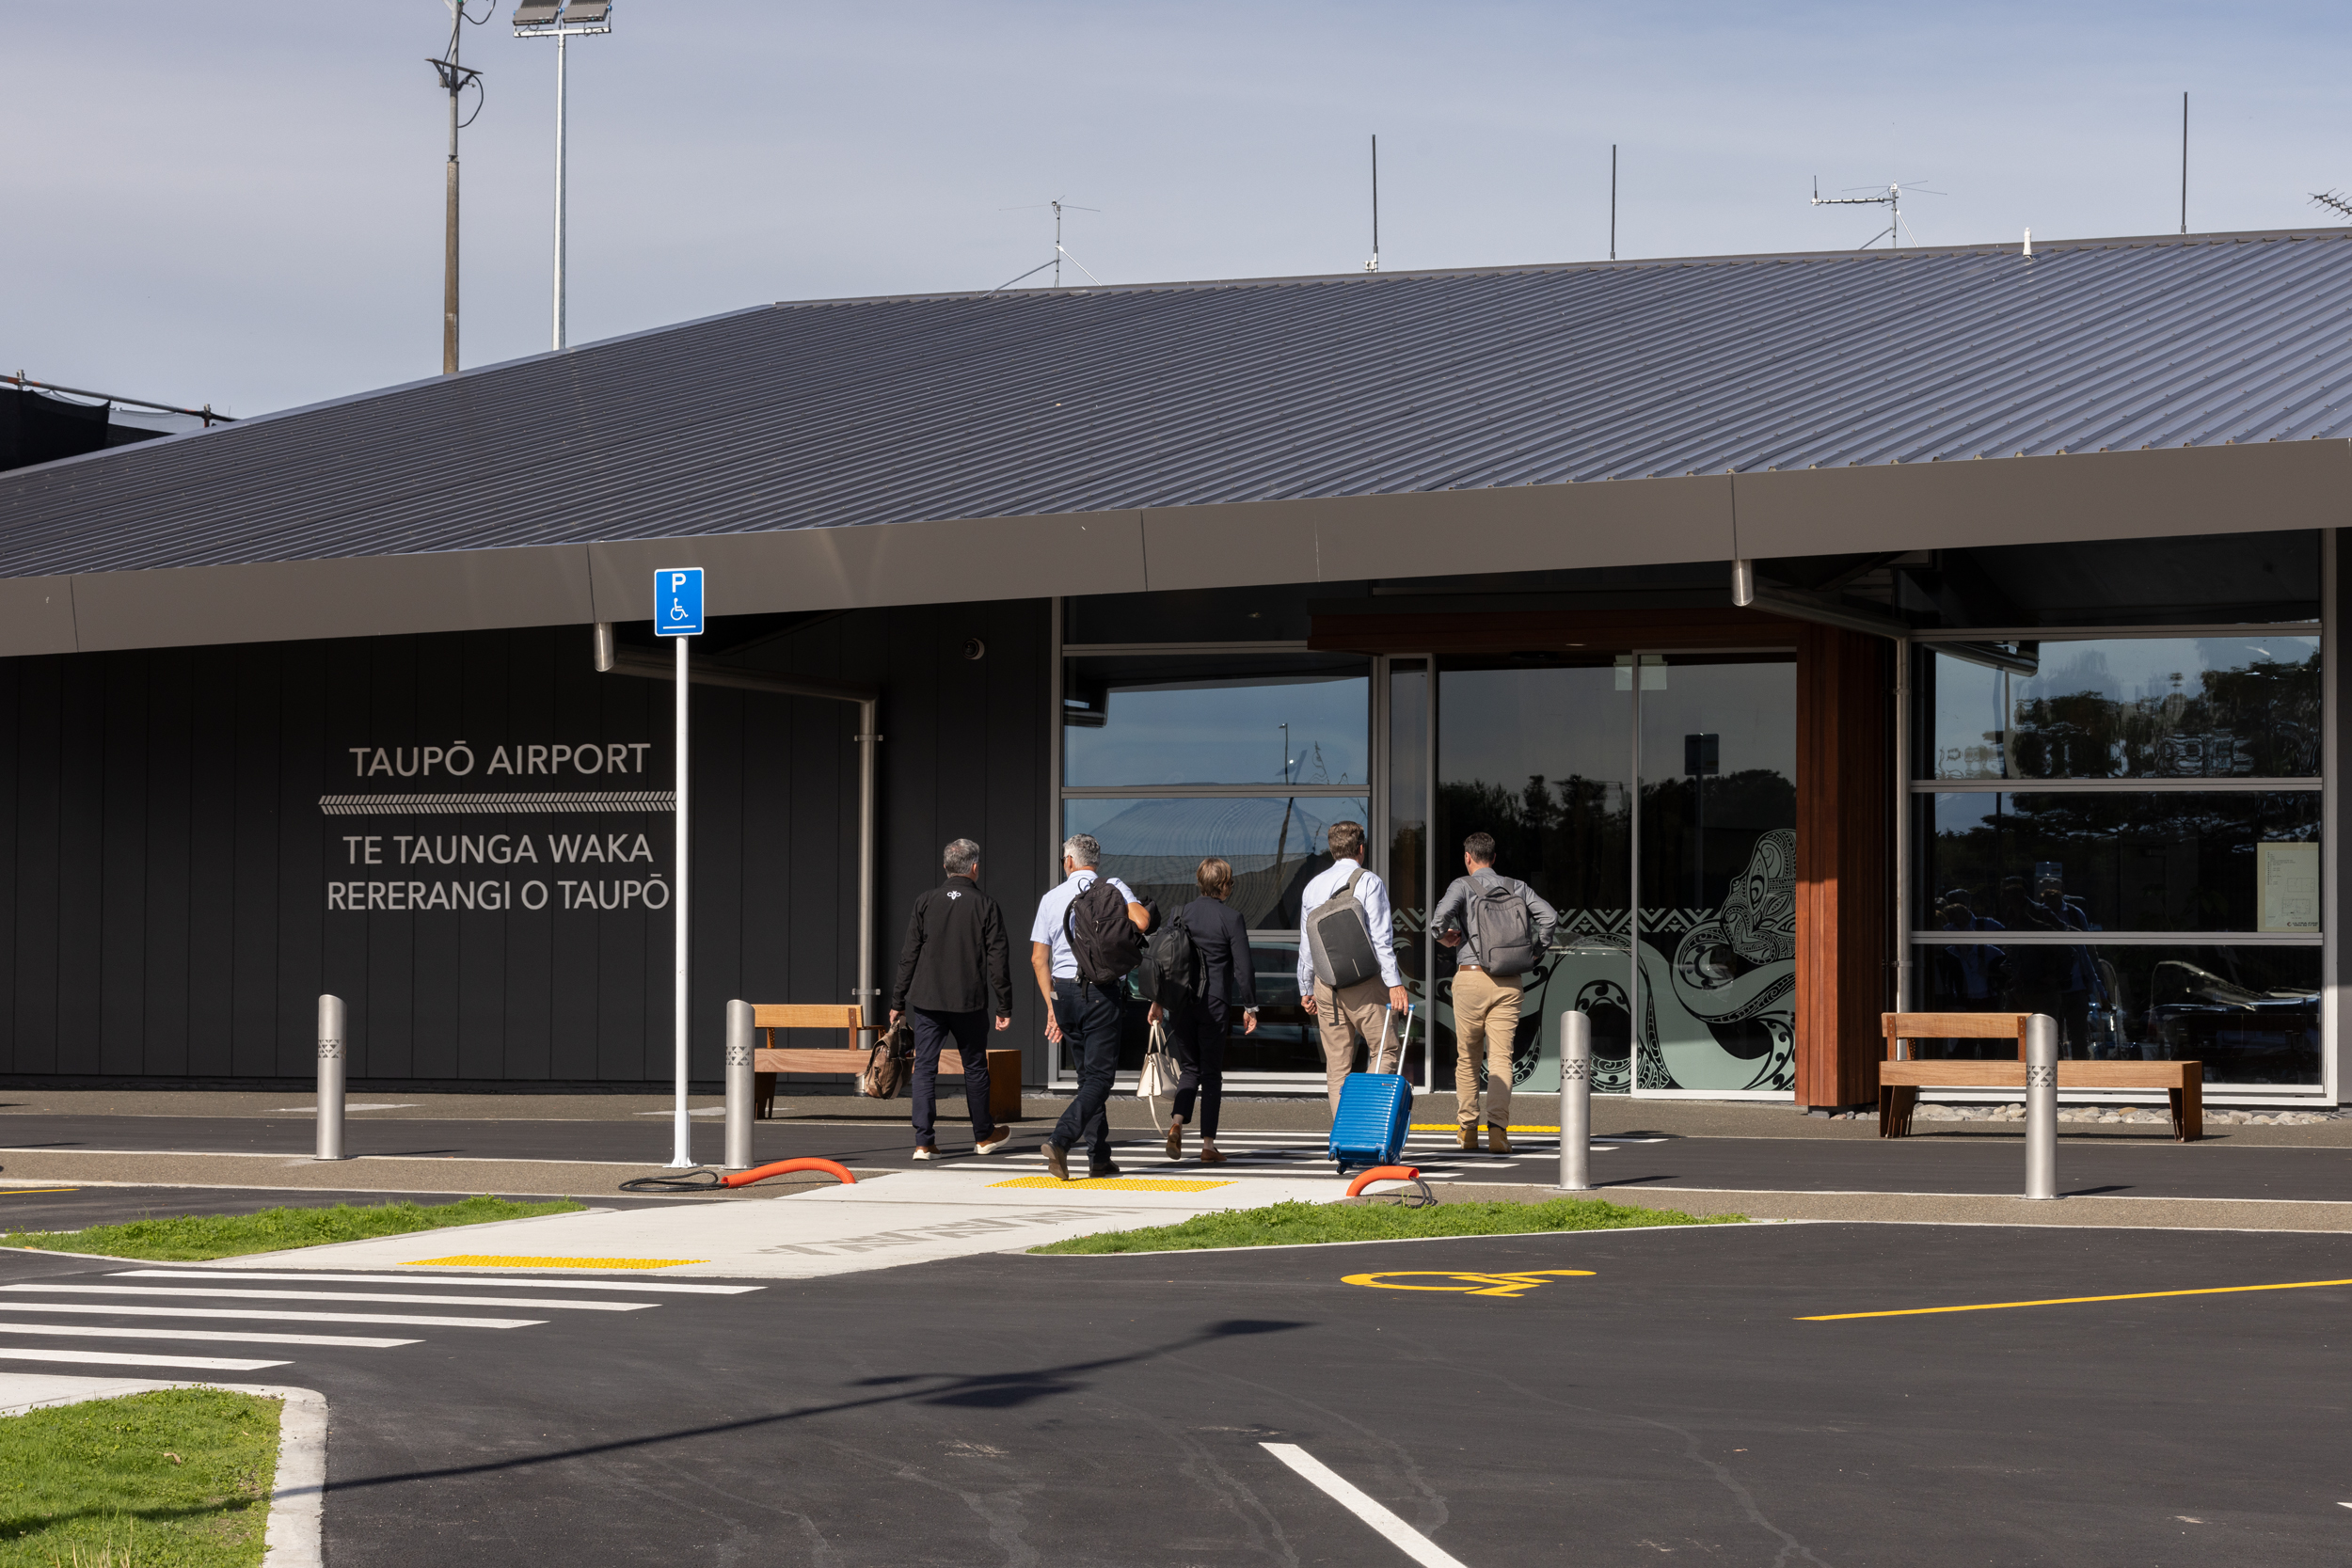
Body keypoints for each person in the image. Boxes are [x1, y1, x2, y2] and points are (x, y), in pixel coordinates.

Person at [1030, 832, 1150, 1180]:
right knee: (1099, 1078)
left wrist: (1051, 1004)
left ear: (1068, 861)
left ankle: (1099, 1157)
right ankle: (1061, 1138)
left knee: (1088, 1078)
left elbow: (1039, 959)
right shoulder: (1112, 887)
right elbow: (1141, 922)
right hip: (1102, 990)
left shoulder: (1051, 898)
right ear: (1095, 861)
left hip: (1064, 993)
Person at [1430, 832, 1558, 1153]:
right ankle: (1498, 1134)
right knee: (1501, 1057)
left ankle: (1468, 1131)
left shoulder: (1461, 885)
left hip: (1470, 979)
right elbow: (1550, 917)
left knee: (1468, 1057)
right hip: (1509, 980)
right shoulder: (1517, 887)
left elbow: (1437, 922)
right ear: (1494, 858)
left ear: (1468, 857)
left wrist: (1447, 938)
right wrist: (1536, 951)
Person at [887, 838, 1013, 1160]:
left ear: (945, 867)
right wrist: (1004, 1005)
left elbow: (909, 954)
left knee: (925, 1067)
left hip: (927, 999)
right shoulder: (986, 905)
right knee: (974, 1066)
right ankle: (983, 1135)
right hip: (969, 1000)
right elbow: (998, 959)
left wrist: (897, 1001)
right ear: (974, 868)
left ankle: (923, 1141)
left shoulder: (925, 901)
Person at [1148, 856, 1259, 1165]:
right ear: (1224, 885)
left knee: (1190, 1070)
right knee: (1210, 1074)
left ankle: (1177, 1123)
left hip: (1180, 1004)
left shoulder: (1179, 914)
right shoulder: (1231, 918)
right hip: (1214, 1004)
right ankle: (1208, 1145)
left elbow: (1162, 962)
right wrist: (1250, 1005)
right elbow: (1244, 968)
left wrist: (1157, 1002)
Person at [1295, 820, 1410, 1111]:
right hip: (1364, 983)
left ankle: (1344, 1135)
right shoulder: (1369, 882)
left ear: (1332, 850)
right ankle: (1365, 1123)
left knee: (1337, 1065)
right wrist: (1395, 983)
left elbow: (1307, 944)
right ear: (1361, 849)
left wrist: (1305, 987)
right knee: (1385, 1050)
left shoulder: (1312, 887)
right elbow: (1381, 938)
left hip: (1326, 985)